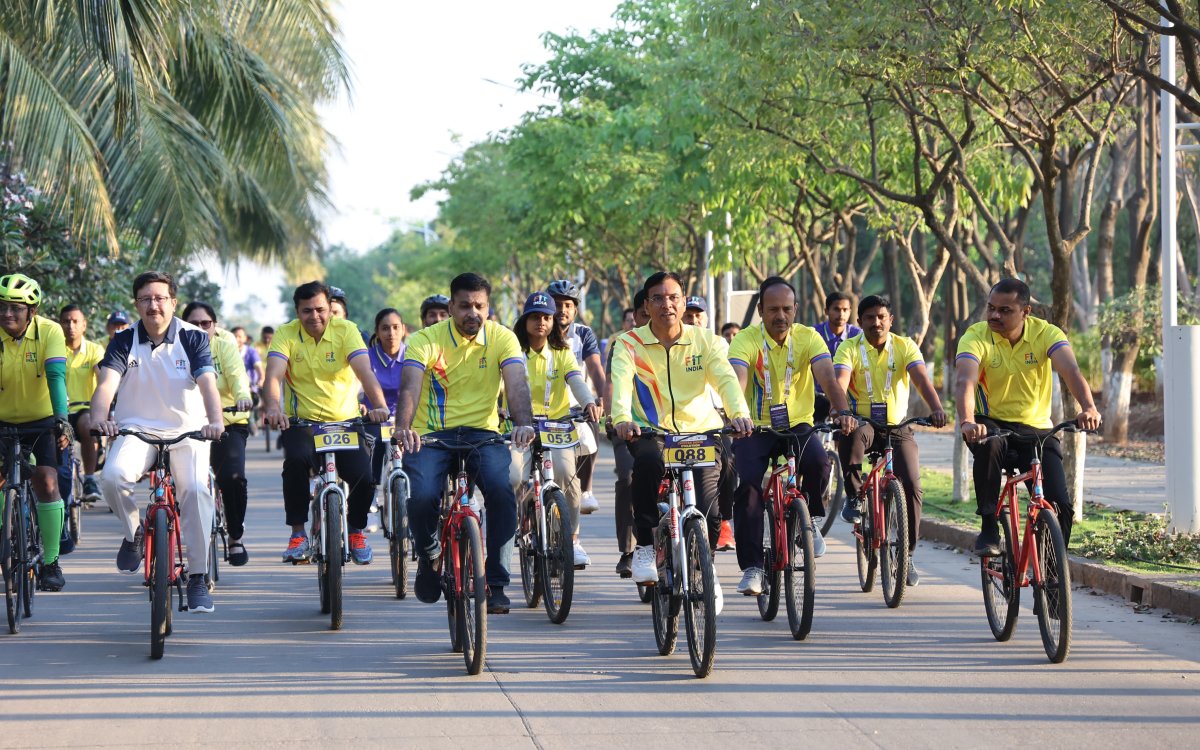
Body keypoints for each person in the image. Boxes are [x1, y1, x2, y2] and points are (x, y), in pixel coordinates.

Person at [394, 273, 535, 615]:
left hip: (483, 434)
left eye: (480, 306)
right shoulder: (426, 339)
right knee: (423, 496)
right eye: (465, 306)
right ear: (451, 307)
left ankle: (497, 581)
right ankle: (429, 556)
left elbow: (516, 383)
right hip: (432, 436)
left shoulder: (502, 338)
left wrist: (523, 424)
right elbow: (410, 386)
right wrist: (402, 427)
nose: (473, 313)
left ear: (488, 306)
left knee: (502, 492)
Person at [611, 271, 753, 609]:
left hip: (701, 433)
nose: (666, 304)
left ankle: (707, 570)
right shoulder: (629, 344)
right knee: (645, 464)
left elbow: (726, 380)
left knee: (712, 511)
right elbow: (620, 385)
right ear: (646, 305)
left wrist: (739, 412)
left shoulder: (708, 341)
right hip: (652, 433)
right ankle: (645, 544)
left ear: (684, 301)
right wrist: (621, 418)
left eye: (673, 297)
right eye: (657, 298)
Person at [91, 271, 225, 613]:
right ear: (136, 304)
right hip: (137, 430)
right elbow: (106, 385)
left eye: (160, 298)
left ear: (173, 302)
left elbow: (208, 383)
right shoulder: (123, 341)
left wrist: (215, 421)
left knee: (195, 491)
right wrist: (99, 418)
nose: (154, 305)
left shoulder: (193, 337)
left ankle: (197, 577)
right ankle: (134, 532)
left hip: (189, 432)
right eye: (146, 299)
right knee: (111, 477)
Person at [955, 278, 1100, 555]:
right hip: (990, 423)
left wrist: (1089, 407)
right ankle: (988, 525)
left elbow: (1071, 371)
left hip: (1036, 429)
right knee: (990, 444)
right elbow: (965, 381)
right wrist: (967, 421)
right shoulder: (976, 336)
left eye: (1005, 310)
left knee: (1059, 505)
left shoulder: (1046, 333)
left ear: (1026, 312)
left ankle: (1051, 576)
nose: (995, 315)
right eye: (991, 308)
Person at [726, 276, 849, 596]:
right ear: (761, 312)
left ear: (795, 309)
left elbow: (827, 376)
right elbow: (737, 378)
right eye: (772, 309)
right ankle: (752, 567)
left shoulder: (808, 338)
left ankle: (807, 521)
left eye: (786, 309)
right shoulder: (746, 339)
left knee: (820, 464)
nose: (780, 315)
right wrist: (737, 414)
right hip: (755, 426)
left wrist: (843, 410)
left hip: (799, 425)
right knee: (750, 487)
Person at [261, 281, 390, 565]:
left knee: (364, 478)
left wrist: (379, 406)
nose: (315, 316)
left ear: (329, 308)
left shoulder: (347, 330)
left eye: (320, 309)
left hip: (345, 423)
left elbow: (365, 372)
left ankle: (356, 531)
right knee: (294, 462)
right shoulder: (286, 334)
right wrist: (273, 407)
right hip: (303, 424)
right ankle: (298, 533)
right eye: (307, 311)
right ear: (298, 311)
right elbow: (273, 377)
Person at [834, 294, 947, 586]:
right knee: (850, 433)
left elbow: (921, 378)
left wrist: (936, 408)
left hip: (898, 427)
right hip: (864, 424)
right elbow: (841, 380)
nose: (876, 323)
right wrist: (843, 412)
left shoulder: (904, 346)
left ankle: (906, 555)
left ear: (891, 320)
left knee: (912, 484)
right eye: (869, 318)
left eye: (882, 317)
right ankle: (857, 496)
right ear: (859, 322)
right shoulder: (849, 348)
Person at [507, 291, 601, 567]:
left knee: (567, 476)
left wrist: (588, 402)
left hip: (557, 426)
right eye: (535, 317)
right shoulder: (513, 353)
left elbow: (576, 380)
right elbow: (499, 386)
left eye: (546, 317)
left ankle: (572, 540)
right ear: (524, 321)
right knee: (514, 476)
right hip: (520, 427)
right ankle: (523, 521)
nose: (541, 323)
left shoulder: (562, 354)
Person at [0, 273, 70, 592]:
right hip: (2, 420)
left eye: (15, 308)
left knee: (46, 480)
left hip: (41, 419)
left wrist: (62, 419)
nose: (7, 314)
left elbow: (55, 377)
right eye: (2, 307)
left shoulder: (51, 331)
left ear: (32, 311)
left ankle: (51, 562)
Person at [183, 302, 254, 567]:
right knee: (180, 483)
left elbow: (237, 376)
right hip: (187, 427)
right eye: (194, 324)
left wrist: (243, 397)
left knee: (232, 478)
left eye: (206, 324)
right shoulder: (173, 347)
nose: (201, 329)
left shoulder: (225, 346)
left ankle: (235, 537)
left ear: (215, 325)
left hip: (228, 422)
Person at [546, 279, 606, 515]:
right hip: (541, 406)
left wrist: (602, 399)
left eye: (568, 305)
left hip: (575, 405)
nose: (562, 310)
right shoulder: (537, 329)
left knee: (592, 422)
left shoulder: (583, 333)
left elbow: (595, 369)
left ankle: (586, 490)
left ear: (575, 309)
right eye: (557, 304)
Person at [683, 295, 736, 550]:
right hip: (678, 422)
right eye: (689, 315)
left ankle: (724, 519)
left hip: (715, 418)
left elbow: (730, 382)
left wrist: (737, 413)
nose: (693, 319)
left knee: (728, 461)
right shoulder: (671, 344)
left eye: (698, 315)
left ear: (706, 318)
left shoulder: (717, 345)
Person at [604, 289, 650, 577]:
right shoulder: (624, 345)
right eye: (646, 313)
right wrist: (615, 418)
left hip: (674, 432)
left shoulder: (687, 342)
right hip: (629, 429)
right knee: (629, 476)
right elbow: (612, 384)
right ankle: (629, 549)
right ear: (635, 316)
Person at [59, 304, 104, 500]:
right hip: (58, 410)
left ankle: (90, 478)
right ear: (59, 324)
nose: (71, 326)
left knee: (87, 426)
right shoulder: (54, 348)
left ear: (84, 325)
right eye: (66, 321)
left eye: (75, 321)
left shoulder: (95, 349)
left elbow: (102, 376)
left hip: (84, 409)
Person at [363, 307, 405, 485]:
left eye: (396, 327)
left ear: (403, 329)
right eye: (385, 328)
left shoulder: (414, 356)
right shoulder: (366, 358)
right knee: (376, 445)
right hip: (374, 419)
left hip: (407, 419)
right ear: (377, 332)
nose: (391, 333)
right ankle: (372, 489)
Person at [813, 292, 861, 424]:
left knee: (847, 434)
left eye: (845, 310)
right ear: (826, 311)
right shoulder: (814, 334)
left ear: (850, 311)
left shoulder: (858, 335)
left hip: (850, 398)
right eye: (836, 309)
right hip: (818, 396)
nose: (841, 314)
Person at [232, 326, 264, 397]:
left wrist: (261, 379)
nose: (237, 339)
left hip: (250, 390)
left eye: (239, 336)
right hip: (232, 391)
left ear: (245, 338)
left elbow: (259, 368)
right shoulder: (227, 352)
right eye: (235, 336)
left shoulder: (251, 351)